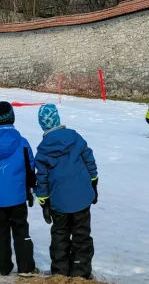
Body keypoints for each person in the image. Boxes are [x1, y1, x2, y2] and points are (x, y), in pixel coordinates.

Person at [35, 104, 98, 280]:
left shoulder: (42, 150)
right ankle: (80, 272)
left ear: (42, 124)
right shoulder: (75, 138)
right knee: (81, 235)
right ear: (57, 119)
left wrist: (44, 201)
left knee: (60, 235)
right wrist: (94, 182)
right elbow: (89, 160)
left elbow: (42, 178)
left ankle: (60, 271)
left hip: (59, 201)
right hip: (81, 197)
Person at [0, 101, 38, 277]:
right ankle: (25, 267)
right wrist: (30, 189)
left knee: (0, 229)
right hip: (18, 195)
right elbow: (30, 168)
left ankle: (1, 266)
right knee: (21, 228)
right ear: (12, 117)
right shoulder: (22, 143)